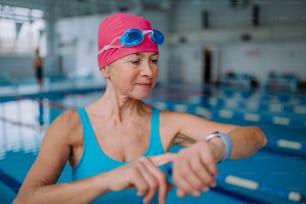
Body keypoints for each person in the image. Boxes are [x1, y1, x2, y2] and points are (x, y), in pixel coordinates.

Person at [14, 13, 267, 204]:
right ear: (105, 68)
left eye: (154, 60)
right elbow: (25, 199)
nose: (149, 72)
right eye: (135, 61)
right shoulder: (71, 126)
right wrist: (109, 179)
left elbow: (255, 136)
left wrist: (214, 147)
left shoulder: (167, 123)